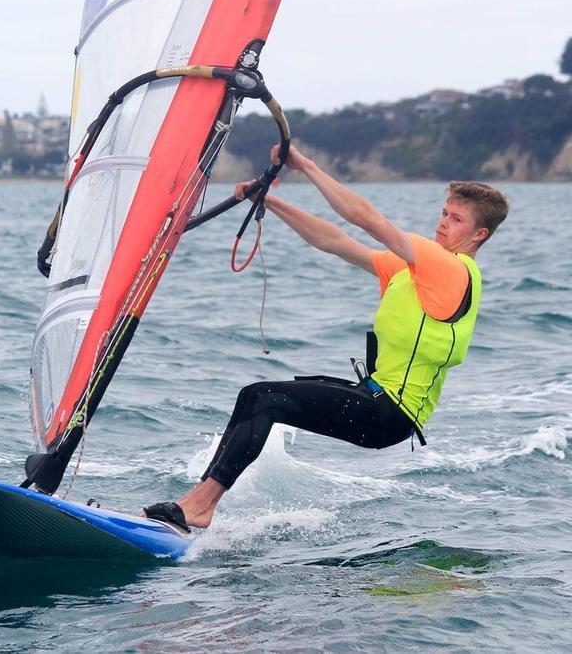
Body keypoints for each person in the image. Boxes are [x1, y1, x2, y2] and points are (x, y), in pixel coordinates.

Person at [144, 144, 509, 532]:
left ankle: (199, 508)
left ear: (479, 234)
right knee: (256, 396)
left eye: (455, 219)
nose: (442, 224)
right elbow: (335, 242)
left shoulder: (452, 269)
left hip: (389, 414)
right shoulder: (416, 272)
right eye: (444, 213)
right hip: (376, 398)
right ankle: (195, 504)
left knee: (266, 399)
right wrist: (271, 200)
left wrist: (306, 166)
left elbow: (364, 218)